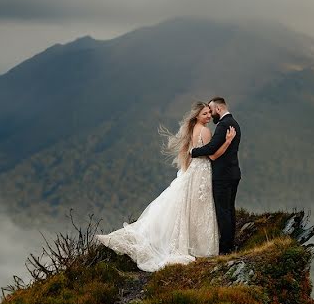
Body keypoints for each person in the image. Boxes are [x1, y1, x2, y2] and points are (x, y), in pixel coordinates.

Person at [96, 101, 236, 271]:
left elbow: (195, 151)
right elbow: (212, 157)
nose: (208, 116)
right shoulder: (205, 131)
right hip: (202, 172)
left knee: (190, 206)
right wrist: (227, 141)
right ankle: (199, 245)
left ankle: (190, 241)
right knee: (199, 207)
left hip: (193, 170)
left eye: (209, 113)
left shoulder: (192, 130)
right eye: (205, 114)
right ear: (197, 116)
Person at [190, 97, 241, 255]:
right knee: (229, 209)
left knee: (223, 211)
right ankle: (230, 244)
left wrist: (193, 152)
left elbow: (211, 149)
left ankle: (226, 248)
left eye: (211, 111)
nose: (211, 115)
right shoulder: (234, 123)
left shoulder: (224, 125)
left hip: (223, 176)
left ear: (219, 109)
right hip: (233, 173)